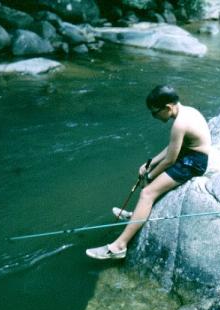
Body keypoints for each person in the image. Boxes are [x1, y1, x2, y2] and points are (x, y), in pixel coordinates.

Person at [86, 85, 211, 260]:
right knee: (150, 188)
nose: (154, 116)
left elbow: (171, 160)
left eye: (155, 112)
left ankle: (118, 247)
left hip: (193, 162)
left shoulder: (180, 124)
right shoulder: (188, 112)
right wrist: (150, 163)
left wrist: (150, 177)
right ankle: (136, 214)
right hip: (189, 154)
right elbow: (172, 147)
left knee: (147, 193)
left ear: (168, 107)